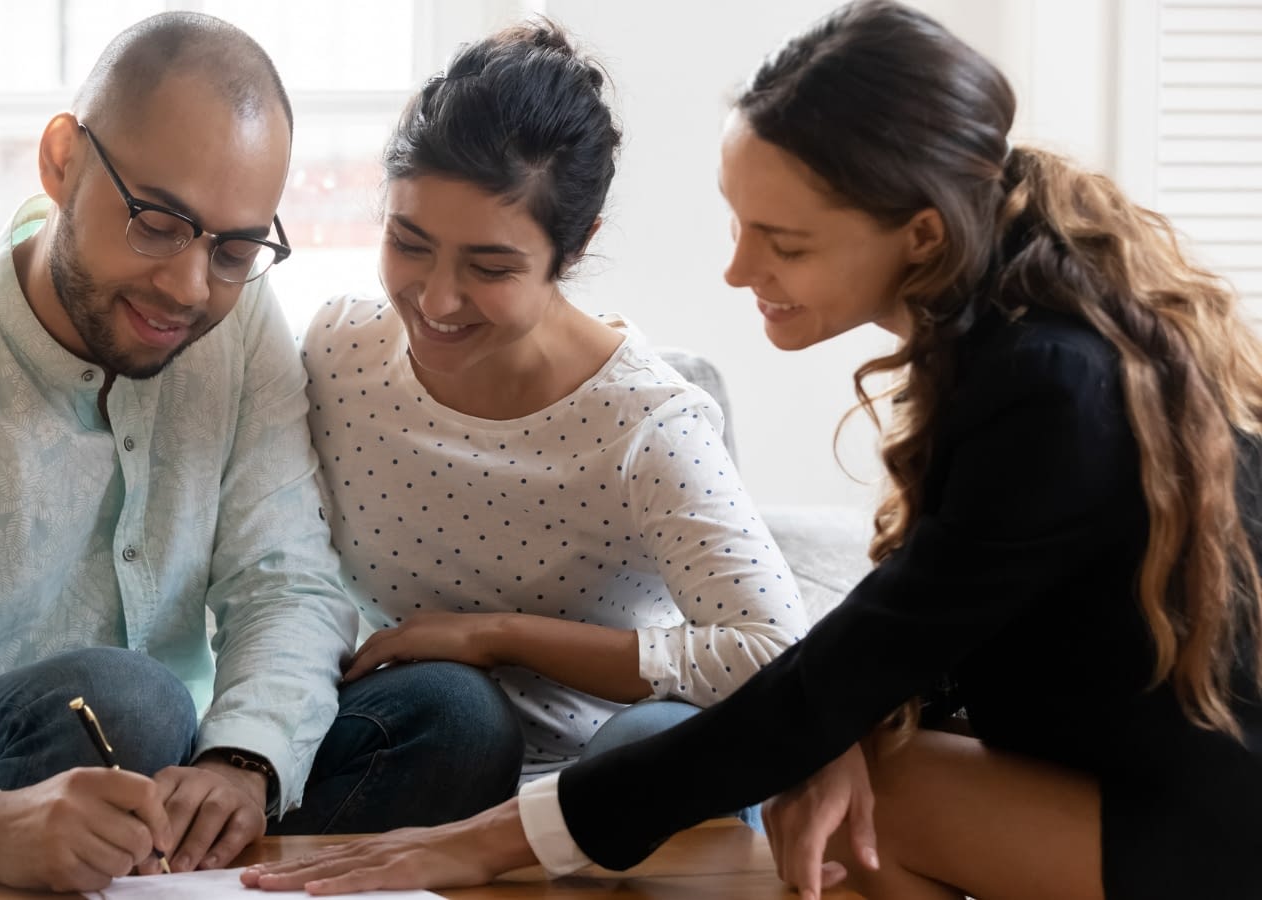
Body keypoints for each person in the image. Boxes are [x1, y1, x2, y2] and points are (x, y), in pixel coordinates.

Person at [242, 2, 1262, 898]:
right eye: (738, 223)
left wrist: (490, 843)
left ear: (916, 235)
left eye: (784, 241)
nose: (736, 269)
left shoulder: (1048, 386)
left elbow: (834, 667)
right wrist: (840, 726)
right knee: (846, 782)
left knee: (865, 799)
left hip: (1218, 822)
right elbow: (888, 659)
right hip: (1142, 785)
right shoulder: (1014, 345)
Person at [0, 12, 517, 894]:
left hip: (166, 764)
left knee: (457, 719)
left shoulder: (235, 333)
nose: (190, 288)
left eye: (234, 250)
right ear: (62, 161)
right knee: (126, 704)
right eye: (157, 221)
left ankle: (196, 876)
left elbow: (284, 582)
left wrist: (244, 761)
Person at [297, 21, 804, 794]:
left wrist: (496, 636)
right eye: (409, 242)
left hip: (598, 783)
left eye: (490, 266)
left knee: (657, 742)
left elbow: (773, 652)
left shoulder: (649, 424)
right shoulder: (338, 353)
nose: (434, 298)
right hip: (413, 745)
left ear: (573, 249)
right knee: (458, 709)